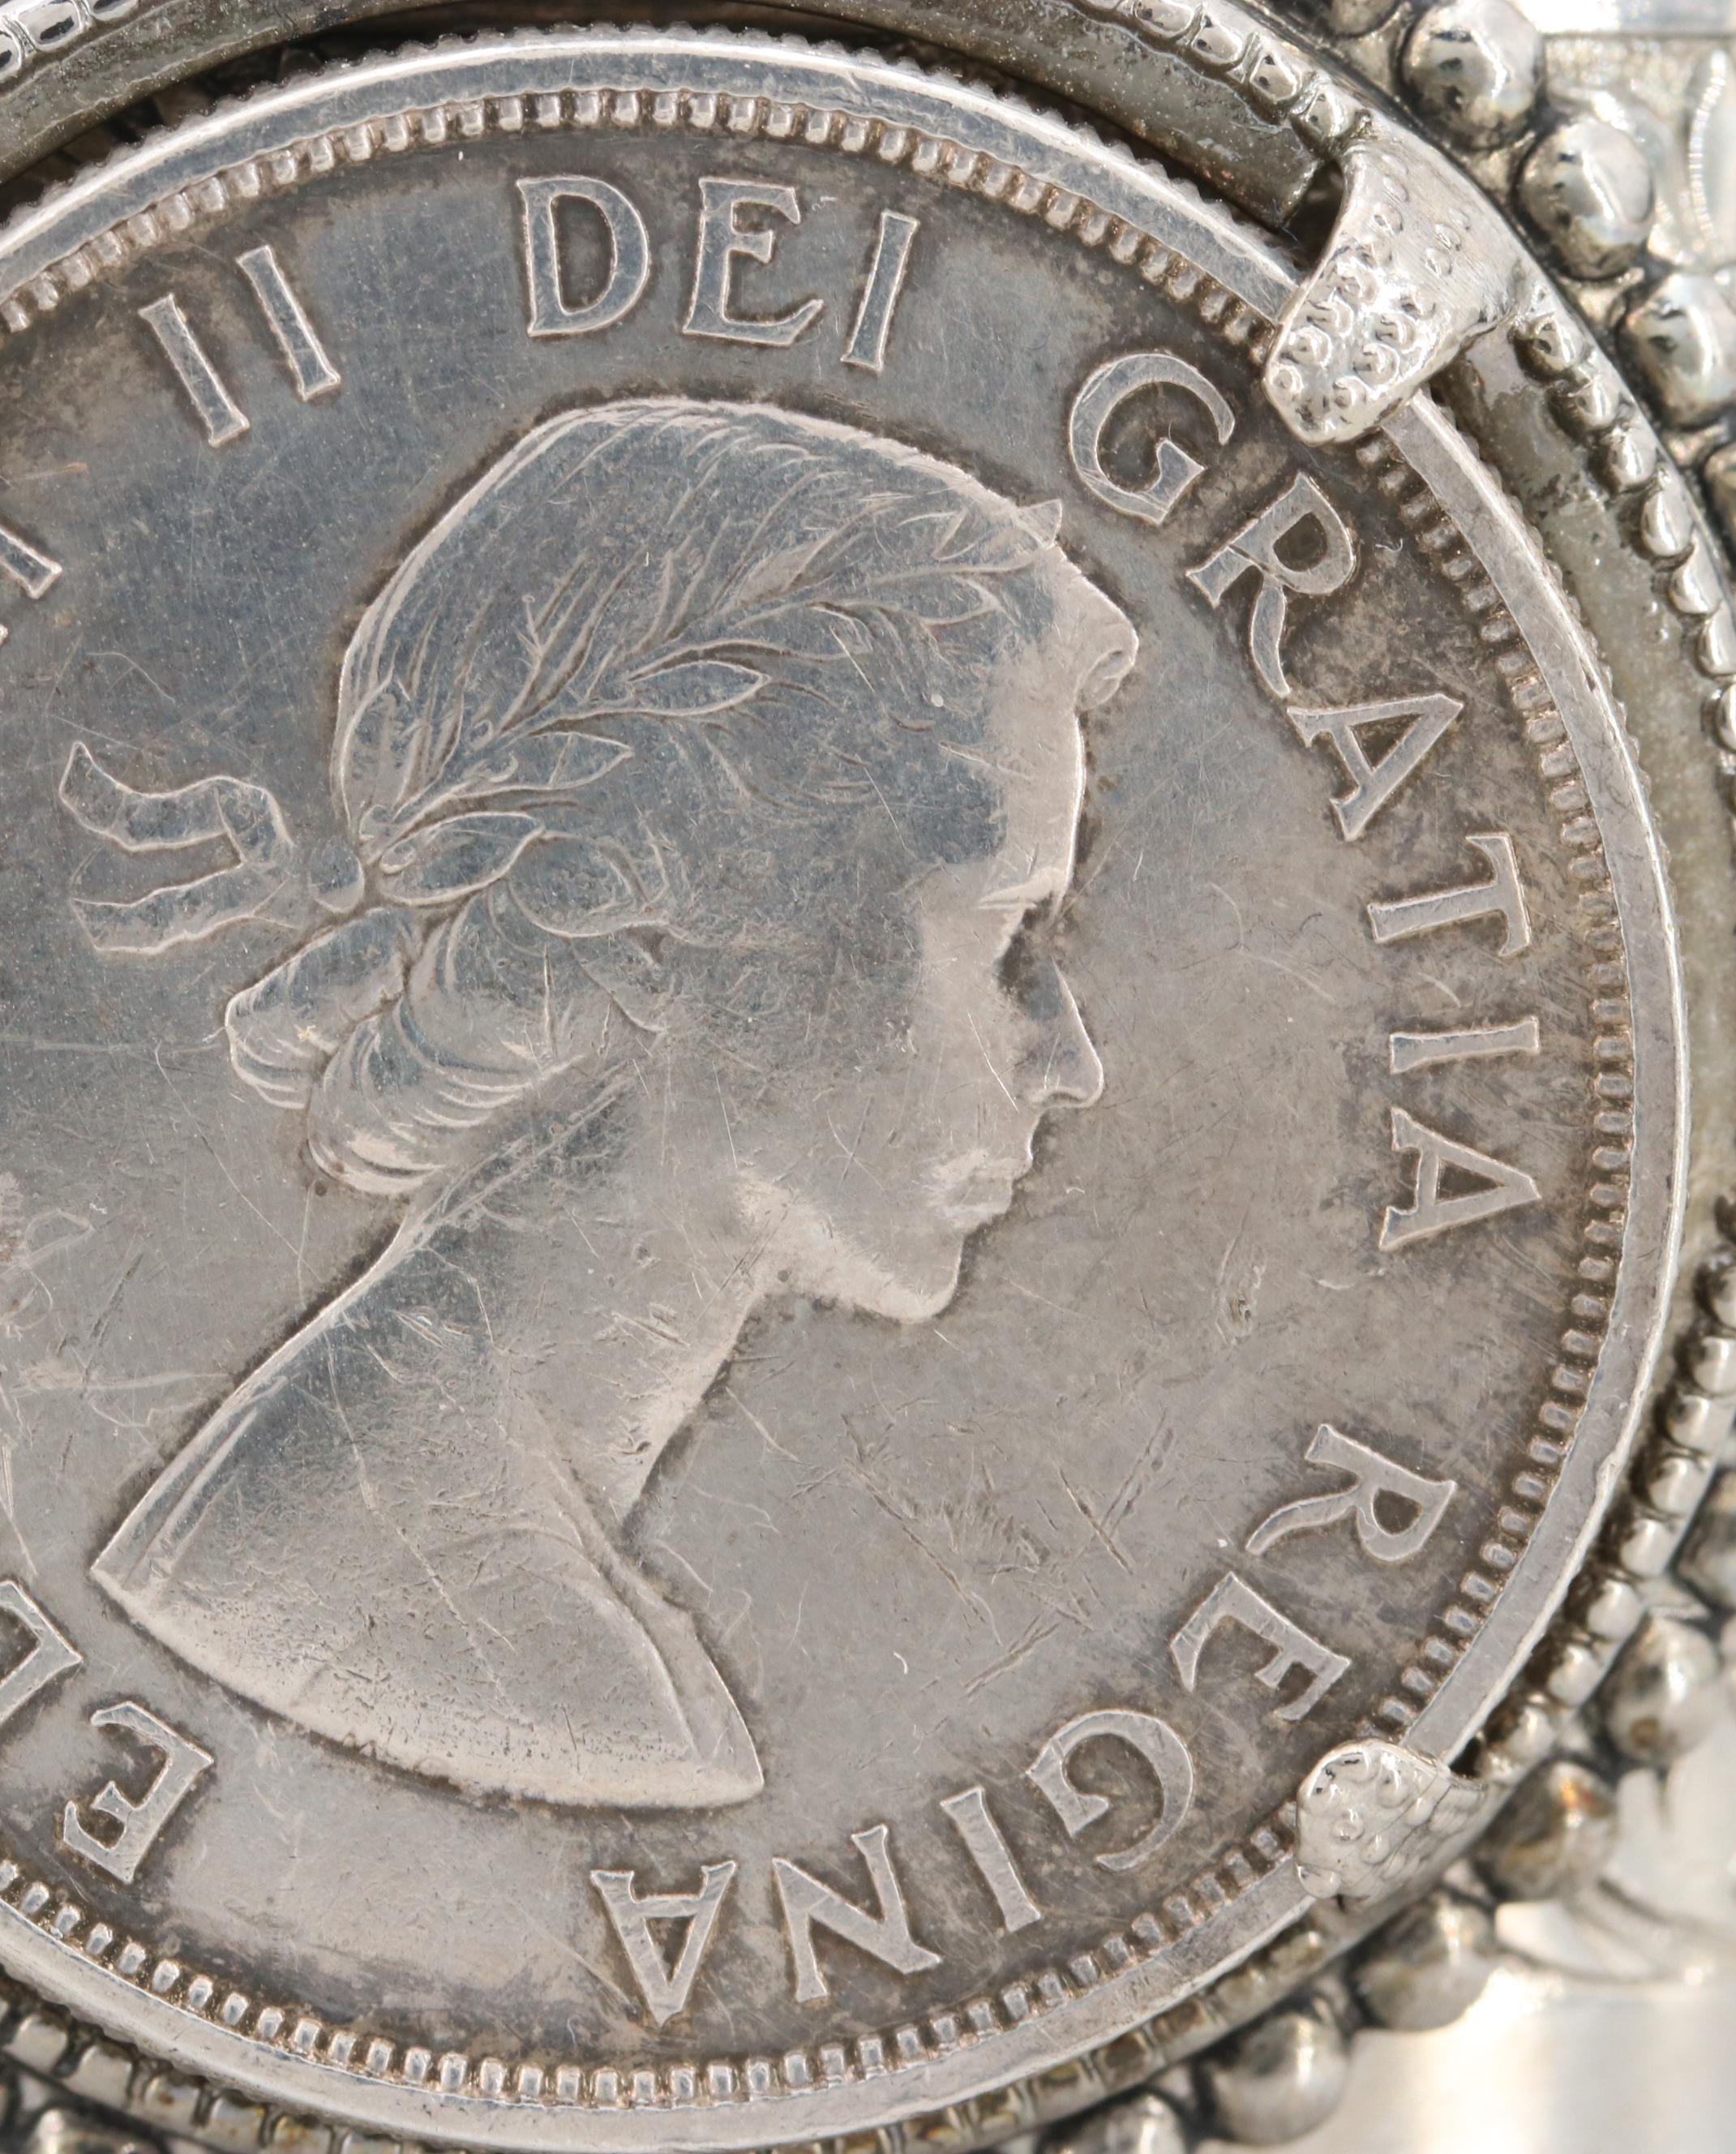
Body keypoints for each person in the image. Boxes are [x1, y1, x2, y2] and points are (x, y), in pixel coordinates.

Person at [62, 398, 1137, 1811]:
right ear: (636, 906)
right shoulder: (480, 1633)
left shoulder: (468, 1538)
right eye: (1000, 935)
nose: (1072, 1060)